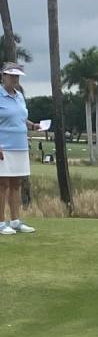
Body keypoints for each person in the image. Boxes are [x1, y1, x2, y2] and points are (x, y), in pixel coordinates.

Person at [0, 63, 41, 235]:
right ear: (3, 76)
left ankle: (15, 220)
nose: (14, 79)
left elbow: (21, 117)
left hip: (20, 146)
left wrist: (33, 126)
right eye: (11, 76)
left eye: (17, 76)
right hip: (3, 146)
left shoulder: (19, 96)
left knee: (16, 184)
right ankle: (1, 222)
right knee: (2, 184)